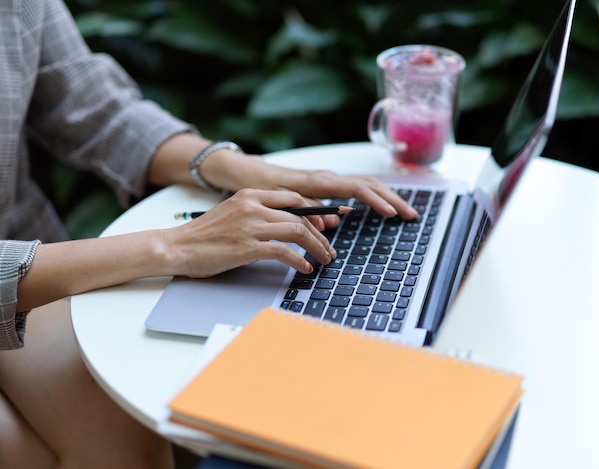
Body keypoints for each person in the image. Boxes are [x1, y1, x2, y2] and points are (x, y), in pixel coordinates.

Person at [0, 0, 418, 468]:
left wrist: (243, 168)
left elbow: (95, 109)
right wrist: (175, 245)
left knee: (118, 410)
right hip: (30, 275)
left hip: (31, 272)